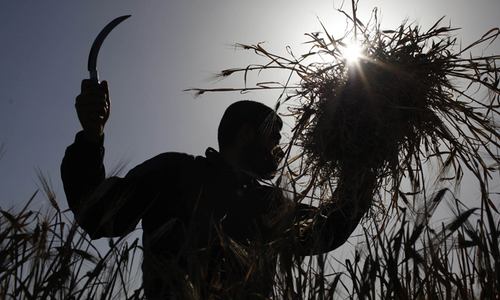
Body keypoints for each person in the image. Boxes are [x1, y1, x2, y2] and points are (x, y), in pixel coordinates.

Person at [61, 79, 375, 299]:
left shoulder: (269, 201)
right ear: (248, 133)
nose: (280, 149)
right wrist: (91, 136)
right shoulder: (176, 172)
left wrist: (362, 163)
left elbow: (326, 231)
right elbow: (100, 215)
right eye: (275, 138)